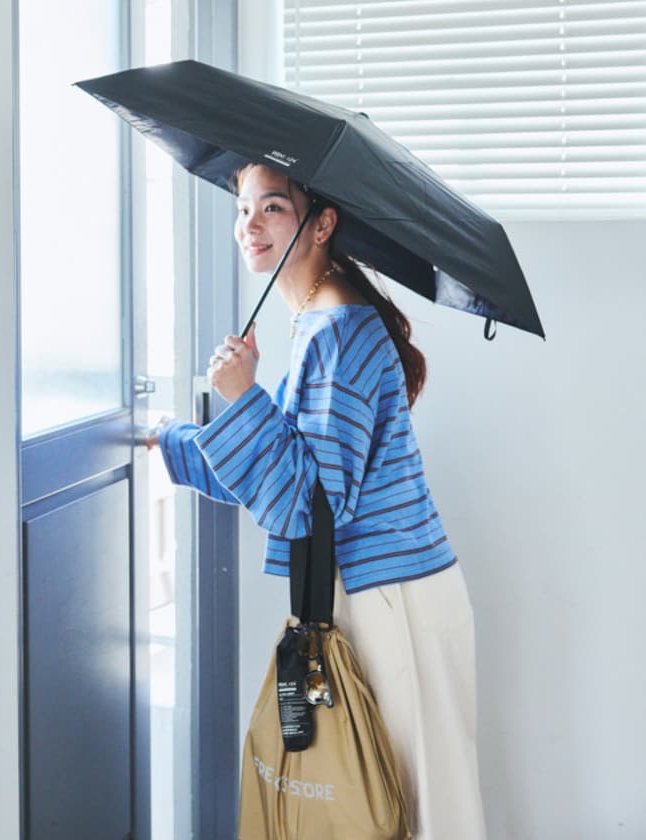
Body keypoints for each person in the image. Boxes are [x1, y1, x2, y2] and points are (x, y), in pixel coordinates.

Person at [145, 162, 488, 840]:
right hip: (374, 592)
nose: (250, 225)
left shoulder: (336, 329)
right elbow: (278, 467)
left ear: (322, 222)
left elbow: (308, 501)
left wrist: (243, 395)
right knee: (382, 811)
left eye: (273, 207)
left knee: (421, 816)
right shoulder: (319, 319)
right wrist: (172, 441)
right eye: (243, 208)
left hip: (391, 600)